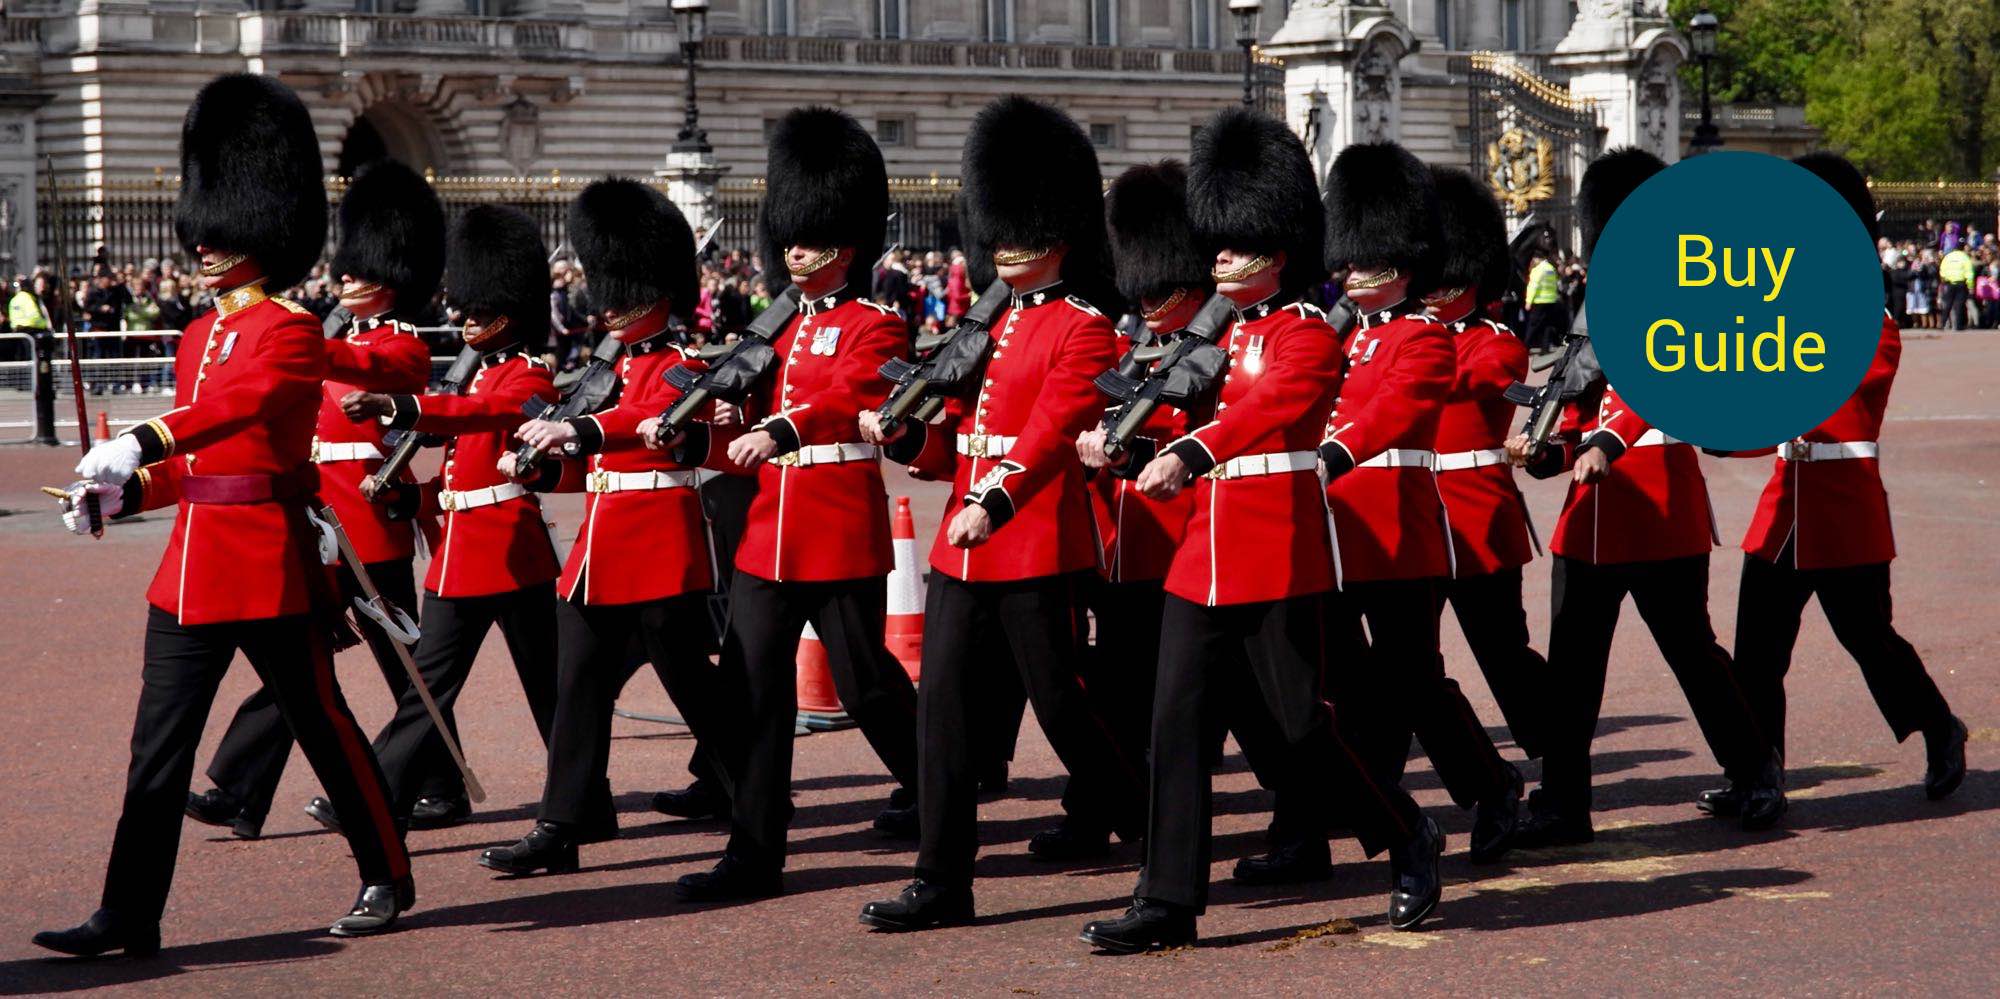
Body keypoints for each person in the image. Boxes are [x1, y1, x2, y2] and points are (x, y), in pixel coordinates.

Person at [36, 73, 413, 957]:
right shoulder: (198, 333)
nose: (202, 243)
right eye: (199, 227)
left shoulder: (288, 329)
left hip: (268, 569)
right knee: (155, 752)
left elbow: (238, 411)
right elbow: (204, 469)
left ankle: (386, 871)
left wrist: (143, 437)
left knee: (323, 727)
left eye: (220, 227)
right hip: (188, 572)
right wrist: (122, 492)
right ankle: (128, 911)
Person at [1076, 108, 1441, 953]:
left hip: (1278, 546)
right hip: (1201, 554)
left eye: (1235, 248)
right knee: (1176, 723)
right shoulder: (1213, 337)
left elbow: (1272, 411)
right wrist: (1121, 448)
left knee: (1303, 727)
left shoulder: (1308, 333)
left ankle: (1405, 832)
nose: (1219, 260)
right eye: (1217, 246)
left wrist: (1193, 447)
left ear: (1277, 251)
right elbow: (1177, 423)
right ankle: (1168, 898)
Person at [856, 96, 1144, 930]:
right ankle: (942, 877)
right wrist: (909, 437)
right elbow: (962, 441)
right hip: (963, 542)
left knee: (1063, 705)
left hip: (1033, 539)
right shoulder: (985, 324)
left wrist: (995, 497)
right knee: (942, 704)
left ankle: (1157, 824)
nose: (1004, 245)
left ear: (1057, 233)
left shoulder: (1085, 327)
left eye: (1020, 229)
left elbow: (1052, 432)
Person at [631, 108, 923, 900]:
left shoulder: (878, 324)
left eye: (809, 233)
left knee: (867, 688)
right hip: (770, 531)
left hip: (835, 525)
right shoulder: (778, 330)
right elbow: (757, 418)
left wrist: (782, 425)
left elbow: (850, 393)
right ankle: (754, 852)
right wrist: (726, 423)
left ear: (846, 242)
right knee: (753, 690)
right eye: (788, 233)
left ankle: (940, 785)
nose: (793, 246)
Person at [1505, 148, 1784, 849]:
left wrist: (1604, 444)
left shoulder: (1684, 301)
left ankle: (1755, 770)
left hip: (1659, 504)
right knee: (1572, 670)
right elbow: (1576, 406)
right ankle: (1566, 803)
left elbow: (1659, 397)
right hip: (1592, 517)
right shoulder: (1593, 303)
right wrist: (1548, 449)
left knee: (1692, 651)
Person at [479, 179, 753, 876]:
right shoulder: (606, 369)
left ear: (657, 292)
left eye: (620, 287)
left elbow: (644, 426)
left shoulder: (682, 366)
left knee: (692, 684)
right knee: (578, 687)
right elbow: (592, 466)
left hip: (661, 547)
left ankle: (752, 795)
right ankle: (561, 823)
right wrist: (542, 469)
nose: (606, 304)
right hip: (599, 554)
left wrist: (579, 427)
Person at [184, 159, 452, 840]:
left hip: (368, 521)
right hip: (320, 515)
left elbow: (376, 374)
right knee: (295, 658)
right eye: (346, 272)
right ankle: (242, 789)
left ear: (389, 283)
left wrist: (305, 342)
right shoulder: (330, 335)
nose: (345, 282)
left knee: (404, 666)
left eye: (358, 274)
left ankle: (438, 785)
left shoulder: (403, 347)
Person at [1706, 152, 1966, 816]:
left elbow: (1821, 402)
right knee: (1756, 655)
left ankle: (1939, 726)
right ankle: (1760, 778)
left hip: (1845, 507)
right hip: (1785, 508)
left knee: (1870, 640)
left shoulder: (1871, 324)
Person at [318, 205, 563, 833]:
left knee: (552, 694)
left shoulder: (530, 376)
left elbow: (480, 422)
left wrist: (405, 405)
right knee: (426, 690)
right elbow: (461, 474)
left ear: (508, 314)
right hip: (459, 558)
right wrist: (411, 501)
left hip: (513, 554)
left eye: (478, 313)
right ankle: (374, 798)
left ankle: (578, 802)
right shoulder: (477, 372)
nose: (465, 321)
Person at [1312, 142, 1522, 865]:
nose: (1353, 270)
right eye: (1351, 256)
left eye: (1367, 258)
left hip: (1400, 532)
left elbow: (1395, 416)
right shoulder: (1343, 342)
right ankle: (1370, 805)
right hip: (1336, 532)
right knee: (1341, 685)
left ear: (1402, 261)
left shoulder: (1424, 337)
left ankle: (1492, 784)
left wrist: (1335, 452)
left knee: (1416, 685)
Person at [1421, 164, 1549, 766]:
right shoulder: (1404, 337)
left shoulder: (1497, 342)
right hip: (1416, 517)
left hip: (1476, 520)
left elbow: (1457, 382)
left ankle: (1553, 747)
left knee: (1503, 653)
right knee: (1411, 660)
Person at [1523, 248, 1565, 351]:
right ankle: (1545, 348)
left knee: (1533, 324)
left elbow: (1533, 286)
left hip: (1539, 301)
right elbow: (1554, 284)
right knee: (1547, 325)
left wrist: (1528, 301)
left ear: (1537, 259)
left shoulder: (1537, 270)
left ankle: (1525, 346)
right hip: (1550, 300)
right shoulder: (1551, 268)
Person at [1939, 240, 1974, 331]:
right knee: (1959, 305)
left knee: (1947, 304)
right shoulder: (1964, 257)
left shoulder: (1948, 257)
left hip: (1949, 283)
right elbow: (1969, 273)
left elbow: (1942, 270)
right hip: (1960, 283)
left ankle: (1942, 324)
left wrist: (1944, 279)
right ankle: (1958, 325)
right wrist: (1970, 285)